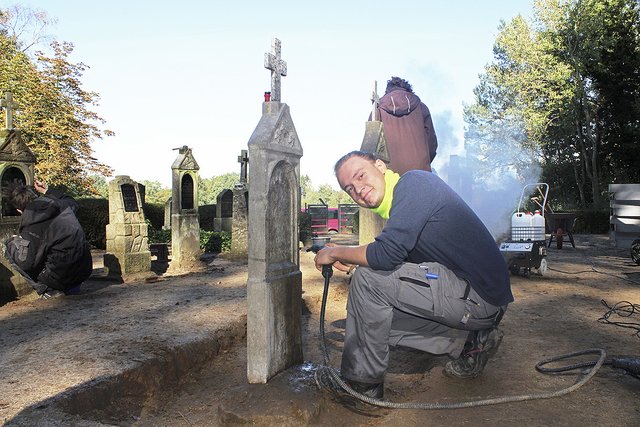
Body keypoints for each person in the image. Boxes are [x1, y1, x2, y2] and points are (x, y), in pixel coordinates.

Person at [314, 151, 512, 400]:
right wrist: (350, 260)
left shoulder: (414, 184)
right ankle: (470, 343)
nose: (358, 189)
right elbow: (404, 268)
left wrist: (336, 253)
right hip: (476, 302)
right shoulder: (401, 207)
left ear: (380, 166)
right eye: (350, 189)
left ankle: (362, 387)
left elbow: (386, 255)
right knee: (369, 317)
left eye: (361, 176)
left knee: (367, 279)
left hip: (479, 297)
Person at [3, 179, 93, 299]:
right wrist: (47, 190)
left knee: (10, 247)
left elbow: (27, 263)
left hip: (62, 276)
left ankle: (48, 290)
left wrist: (14, 241)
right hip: (84, 270)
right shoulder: (60, 204)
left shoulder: (31, 221)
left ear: (19, 210)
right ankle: (71, 287)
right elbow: (73, 202)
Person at [374, 76, 438, 175]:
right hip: (421, 173)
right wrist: (424, 162)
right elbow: (432, 143)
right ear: (409, 90)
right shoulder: (421, 108)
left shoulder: (378, 111)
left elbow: (371, 145)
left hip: (390, 175)